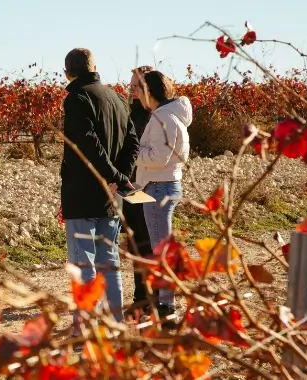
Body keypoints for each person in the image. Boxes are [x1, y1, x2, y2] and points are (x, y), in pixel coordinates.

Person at [60, 48, 139, 328]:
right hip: (112, 194)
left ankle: (84, 326)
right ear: (94, 66)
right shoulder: (117, 97)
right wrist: (121, 177)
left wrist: (112, 174)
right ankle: (115, 322)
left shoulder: (77, 99)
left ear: (68, 72)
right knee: (109, 260)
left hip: (83, 192)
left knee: (84, 263)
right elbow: (133, 142)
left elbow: (88, 145)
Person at [134, 70, 192, 327]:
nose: (136, 95)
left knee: (160, 250)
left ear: (150, 93)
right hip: (163, 186)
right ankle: (165, 303)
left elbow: (158, 158)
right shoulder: (172, 116)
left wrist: (134, 151)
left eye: (139, 90)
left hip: (158, 188)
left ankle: (166, 307)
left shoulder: (162, 119)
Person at [122, 66, 156, 318]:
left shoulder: (156, 117)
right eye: (131, 86)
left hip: (149, 187)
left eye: (138, 86)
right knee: (137, 244)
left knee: (146, 245)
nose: (132, 91)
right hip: (131, 186)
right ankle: (140, 297)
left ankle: (148, 300)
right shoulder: (130, 113)